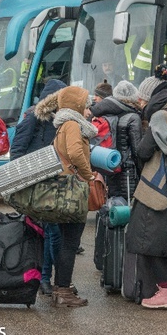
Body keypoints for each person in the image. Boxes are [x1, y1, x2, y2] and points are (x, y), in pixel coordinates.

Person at [125, 66, 167, 309]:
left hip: (158, 186)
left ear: (151, 97)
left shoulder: (160, 117)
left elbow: (142, 150)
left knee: (147, 237)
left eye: (142, 99)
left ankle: (165, 291)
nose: (140, 104)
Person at [10, 79, 67, 296]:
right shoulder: (34, 116)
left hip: (53, 180)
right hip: (38, 182)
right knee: (50, 231)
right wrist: (20, 180)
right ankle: (44, 277)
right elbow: (18, 148)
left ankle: (46, 277)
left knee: (51, 231)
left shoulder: (59, 119)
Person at [50, 85, 96, 308]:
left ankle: (60, 288)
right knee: (70, 243)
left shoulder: (62, 125)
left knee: (64, 242)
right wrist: (90, 176)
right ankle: (64, 291)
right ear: (76, 105)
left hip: (62, 188)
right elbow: (76, 153)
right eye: (86, 106)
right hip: (73, 190)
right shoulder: (72, 125)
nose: (89, 111)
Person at [89, 80, 142, 200]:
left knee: (110, 201)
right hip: (127, 171)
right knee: (126, 205)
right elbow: (137, 149)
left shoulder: (105, 114)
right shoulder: (132, 117)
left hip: (108, 165)